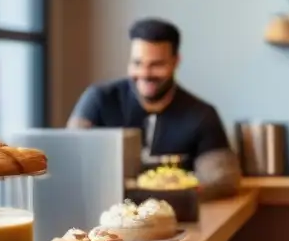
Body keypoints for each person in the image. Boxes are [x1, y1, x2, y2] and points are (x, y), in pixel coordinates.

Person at [67, 18, 240, 200]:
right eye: (137, 63)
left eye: (156, 65)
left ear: (175, 62)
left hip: (177, 218)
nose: (144, 74)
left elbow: (223, 180)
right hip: (105, 216)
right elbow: (70, 160)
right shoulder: (98, 99)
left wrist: (166, 192)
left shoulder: (202, 115)